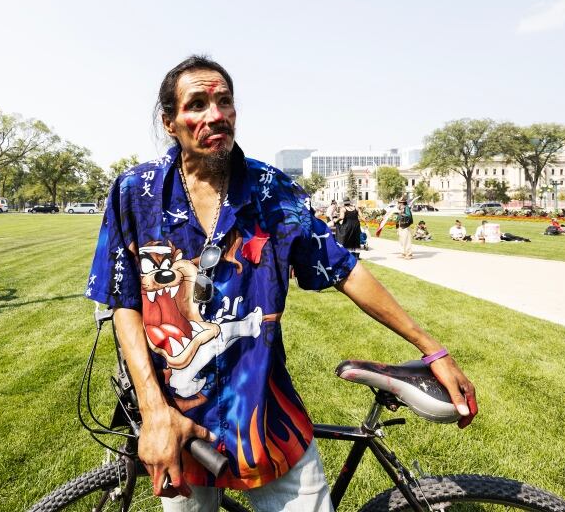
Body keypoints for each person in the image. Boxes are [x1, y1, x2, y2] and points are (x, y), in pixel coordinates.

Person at [85, 55, 477, 512]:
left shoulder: (273, 192)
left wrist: (433, 348)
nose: (216, 115)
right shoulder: (136, 192)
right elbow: (124, 301)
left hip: (266, 421)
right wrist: (154, 413)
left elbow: (344, 269)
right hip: (179, 426)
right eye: (197, 104)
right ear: (170, 122)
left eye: (224, 101)